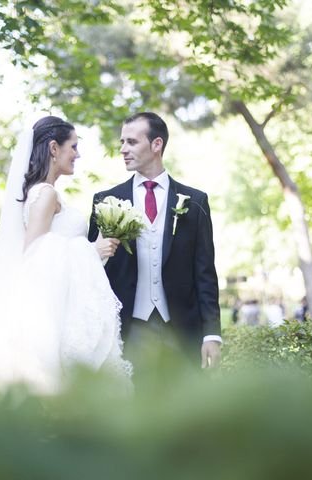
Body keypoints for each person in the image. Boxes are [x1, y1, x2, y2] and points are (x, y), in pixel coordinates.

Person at [0, 115, 132, 395]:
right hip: (54, 311)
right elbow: (35, 255)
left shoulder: (45, 193)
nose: (77, 155)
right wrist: (91, 251)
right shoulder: (45, 194)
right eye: (73, 147)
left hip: (63, 303)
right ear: (54, 148)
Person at [88, 112, 221, 372]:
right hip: (128, 329)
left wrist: (211, 334)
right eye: (122, 142)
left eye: (132, 142)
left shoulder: (195, 202)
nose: (123, 150)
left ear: (156, 144)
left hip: (182, 330)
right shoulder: (105, 201)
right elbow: (91, 271)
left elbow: (205, 273)